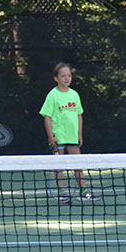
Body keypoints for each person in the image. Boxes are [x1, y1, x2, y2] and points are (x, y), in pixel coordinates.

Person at [39, 62, 95, 203]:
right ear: (56, 78)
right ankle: (62, 192)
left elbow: (79, 115)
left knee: (78, 164)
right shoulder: (52, 95)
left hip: (73, 137)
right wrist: (51, 136)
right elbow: (47, 116)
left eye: (69, 75)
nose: (66, 78)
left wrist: (79, 134)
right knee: (59, 166)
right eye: (63, 76)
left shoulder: (74, 95)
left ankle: (84, 191)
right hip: (58, 138)